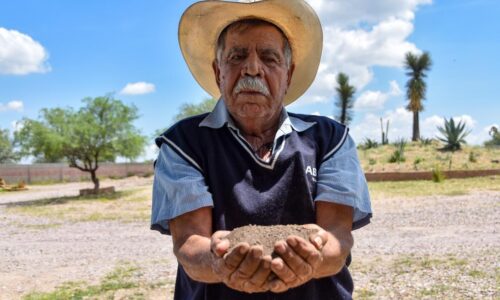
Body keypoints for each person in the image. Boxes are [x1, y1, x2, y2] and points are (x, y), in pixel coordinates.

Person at [151, 0, 372, 299]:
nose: (252, 68)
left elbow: (337, 237)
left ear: (288, 75)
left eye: (269, 58)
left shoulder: (330, 139)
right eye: (237, 56)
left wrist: (314, 258)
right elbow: (190, 243)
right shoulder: (184, 143)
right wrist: (220, 262)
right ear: (219, 72)